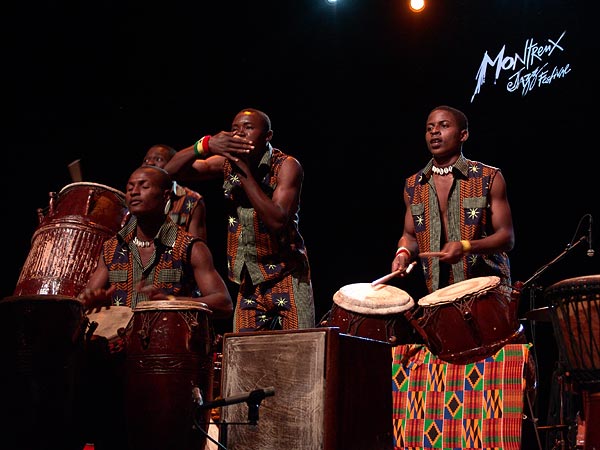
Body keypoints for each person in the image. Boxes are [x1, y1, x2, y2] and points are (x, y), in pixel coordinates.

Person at [77, 165, 233, 450]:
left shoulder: (189, 247)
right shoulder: (112, 247)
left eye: (143, 185)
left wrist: (172, 301)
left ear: (165, 197)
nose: (134, 191)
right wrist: (91, 299)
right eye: (130, 186)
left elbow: (223, 302)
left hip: (168, 367)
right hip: (116, 366)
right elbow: (84, 298)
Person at [164, 108, 315, 333]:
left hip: (287, 274)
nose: (239, 133)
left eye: (248, 128)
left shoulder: (286, 166)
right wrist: (205, 145)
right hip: (249, 277)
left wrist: (243, 170)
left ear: (268, 137)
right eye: (235, 128)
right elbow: (170, 172)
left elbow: (276, 221)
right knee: (242, 356)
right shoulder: (226, 162)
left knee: (301, 349)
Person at [391, 105, 514, 292]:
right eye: (429, 128)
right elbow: (409, 236)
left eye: (444, 125)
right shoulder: (413, 185)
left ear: (463, 135)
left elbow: (507, 238)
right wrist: (403, 252)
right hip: (439, 293)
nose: (435, 132)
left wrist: (465, 246)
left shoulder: (488, 177)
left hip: (486, 291)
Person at [141, 143, 207, 241]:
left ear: (175, 165)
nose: (149, 163)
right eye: (145, 160)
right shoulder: (134, 197)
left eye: (158, 159)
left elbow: (198, 247)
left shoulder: (191, 200)